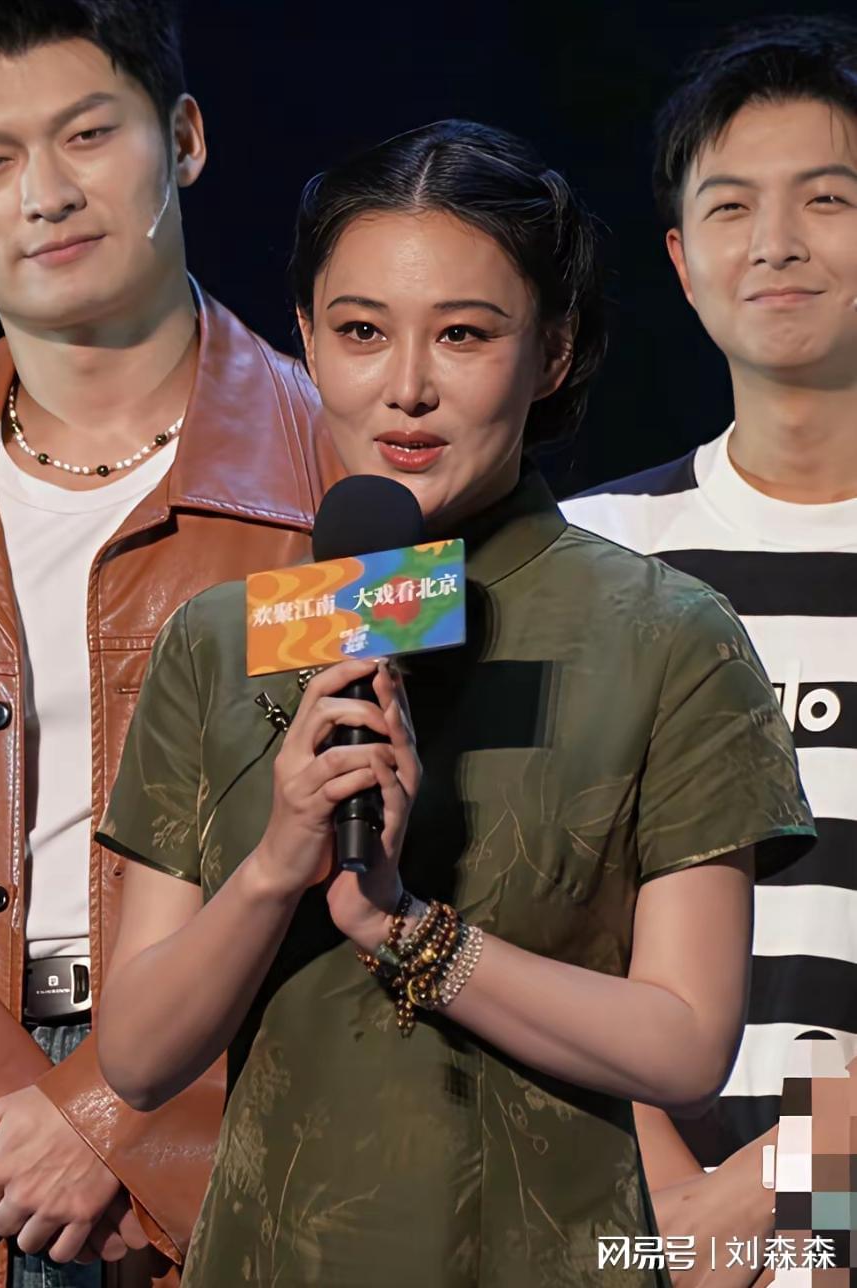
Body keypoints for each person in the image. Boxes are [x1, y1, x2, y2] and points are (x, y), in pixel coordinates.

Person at [95, 120, 816, 1288]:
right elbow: (133, 1056)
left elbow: (686, 1042)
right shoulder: (226, 638)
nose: (407, 389)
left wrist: (410, 931)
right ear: (306, 341)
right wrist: (278, 863)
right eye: (361, 332)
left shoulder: (666, 634)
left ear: (555, 350)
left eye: (465, 334)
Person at [0, 3, 336, 1286]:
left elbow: (394, 853)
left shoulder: (349, 475)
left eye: (88, 134)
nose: (45, 193)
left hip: (255, 1148)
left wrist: (113, 1114)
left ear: (184, 138)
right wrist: (7, 1120)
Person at [561, 17, 857, 1282]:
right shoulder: (591, 552)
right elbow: (546, 916)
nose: (776, 242)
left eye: (827, 198)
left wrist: (782, 1195)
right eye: (732, 206)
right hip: (640, 1225)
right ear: (683, 262)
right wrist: (672, 1213)